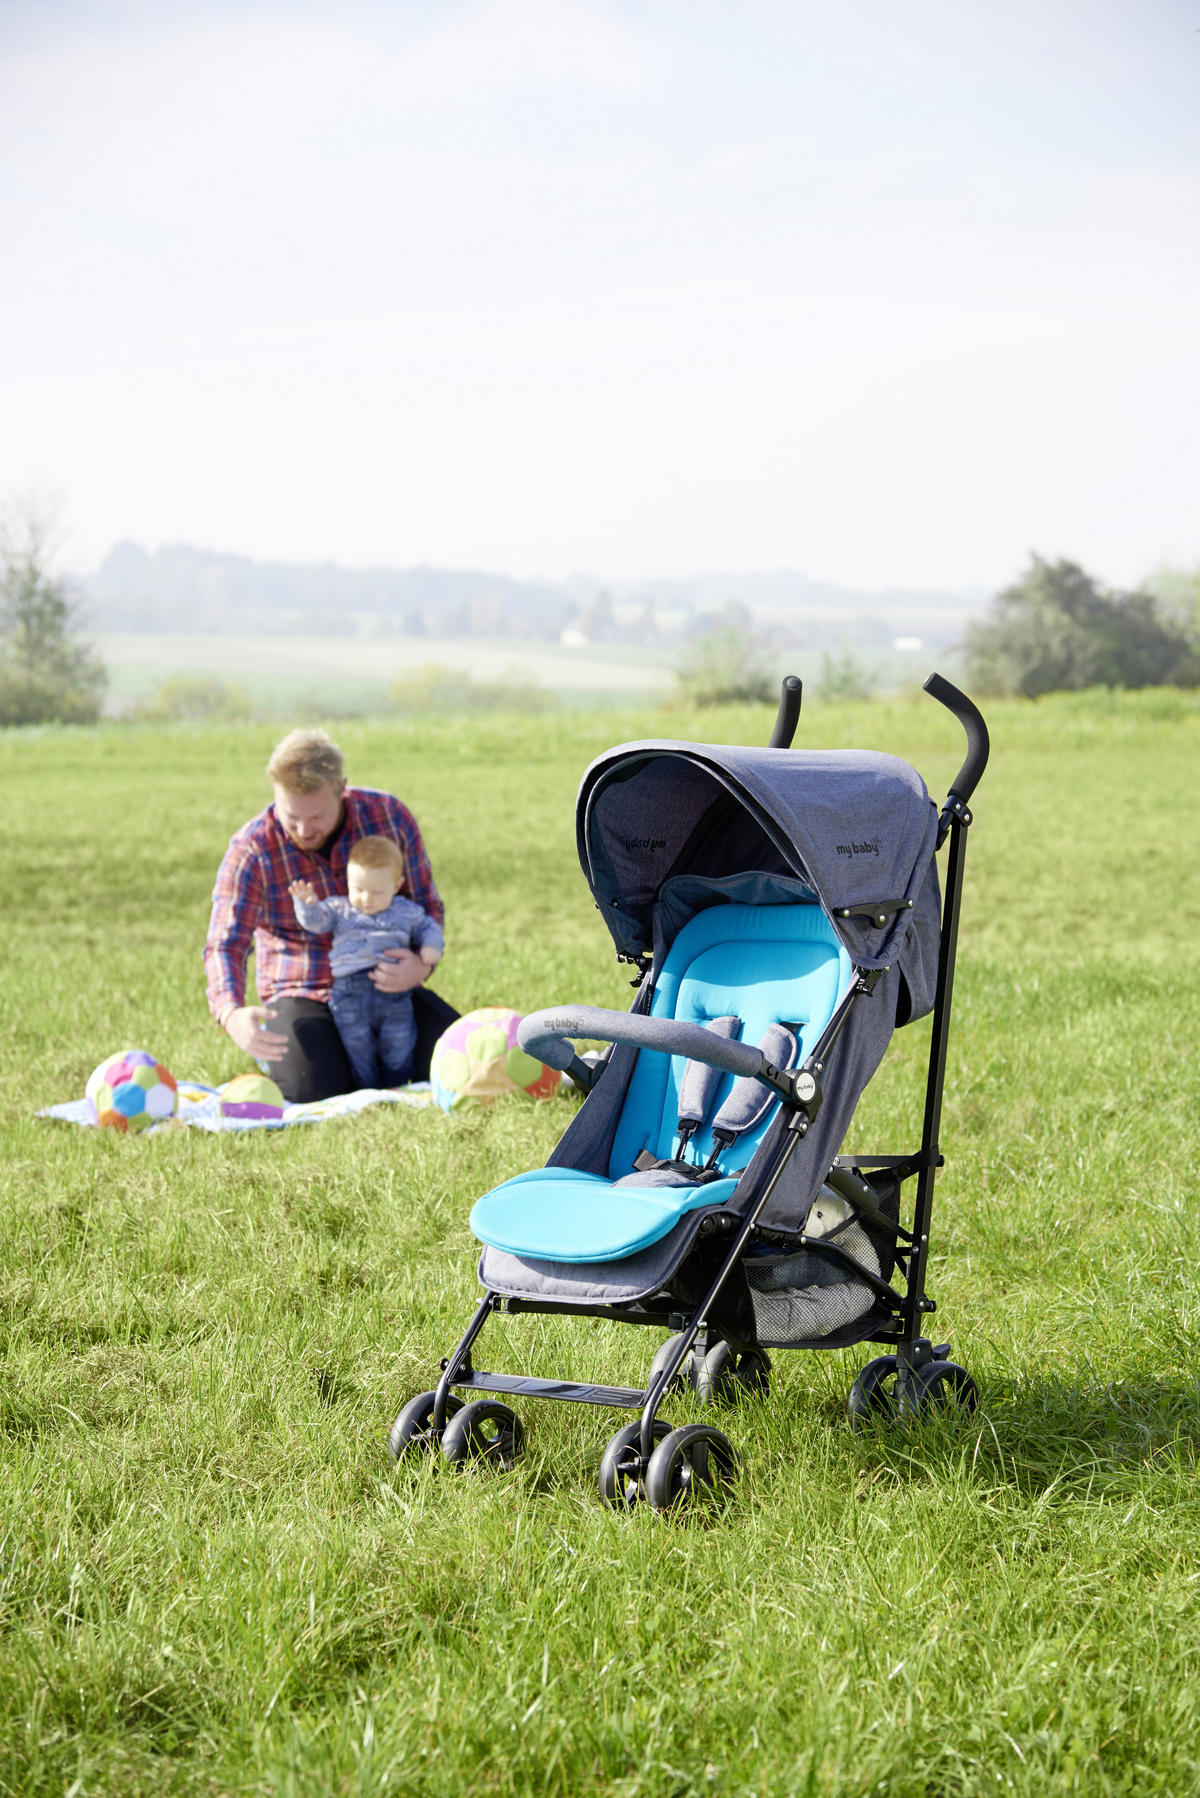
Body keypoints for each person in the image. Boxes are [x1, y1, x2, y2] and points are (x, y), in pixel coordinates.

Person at [204, 727, 457, 1102]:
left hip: (388, 988)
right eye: (292, 817)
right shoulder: (251, 850)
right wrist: (230, 1014)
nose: (305, 830)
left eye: (318, 816)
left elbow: (426, 906)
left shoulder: (389, 817)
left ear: (343, 789)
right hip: (302, 991)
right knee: (315, 1087)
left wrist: (420, 967)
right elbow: (225, 943)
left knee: (453, 1060)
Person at [289, 835, 443, 1089]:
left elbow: (429, 927)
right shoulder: (341, 910)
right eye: (358, 889)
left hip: (394, 992)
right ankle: (366, 1087)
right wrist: (307, 906)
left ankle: (398, 1084)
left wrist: (430, 948)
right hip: (349, 993)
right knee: (356, 1043)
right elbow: (317, 922)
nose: (366, 899)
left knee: (400, 1040)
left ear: (397, 885)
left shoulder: (405, 911)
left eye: (377, 892)